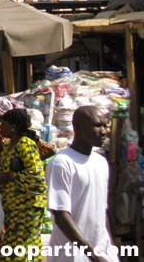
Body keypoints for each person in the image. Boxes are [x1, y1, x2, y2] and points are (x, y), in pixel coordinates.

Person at [46, 106, 117, 262]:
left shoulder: (101, 162)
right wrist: (93, 254)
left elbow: (101, 211)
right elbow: (60, 215)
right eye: (97, 125)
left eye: (105, 125)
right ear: (77, 127)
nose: (104, 131)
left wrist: (110, 249)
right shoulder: (62, 163)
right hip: (70, 256)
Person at [0, 108, 47, 262]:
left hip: (27, 205)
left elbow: (36, 175)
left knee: (24, 244)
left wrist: (9, 176)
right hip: (13, 206)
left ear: (13, 127)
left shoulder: (26, 145)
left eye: (3, 125)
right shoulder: (8, 146)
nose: (0, 128)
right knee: (15, 242)